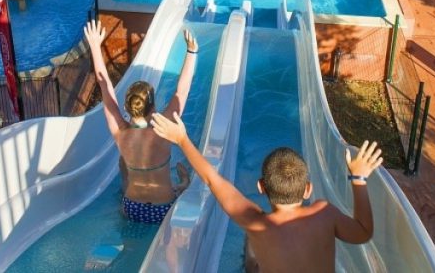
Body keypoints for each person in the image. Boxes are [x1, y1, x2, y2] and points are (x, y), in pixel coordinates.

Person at [152, 112, 383, 272]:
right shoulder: (324, 213)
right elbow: (363, 232)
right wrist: (358, 178)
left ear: (261, 187)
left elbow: (212, 180)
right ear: (307, 189)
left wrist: (182, 139)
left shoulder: (256, 224)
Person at [84, 20, 197, 224]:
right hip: (163, 206)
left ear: (127, 108)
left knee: (123, 170)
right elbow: (182, 90)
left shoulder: (120, 132)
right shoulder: (164, 129)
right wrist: (191, 52)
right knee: (183, 189)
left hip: (132, 206)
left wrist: (94, 45)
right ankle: (184, 183)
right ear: (153, 107)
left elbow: (104, 84)